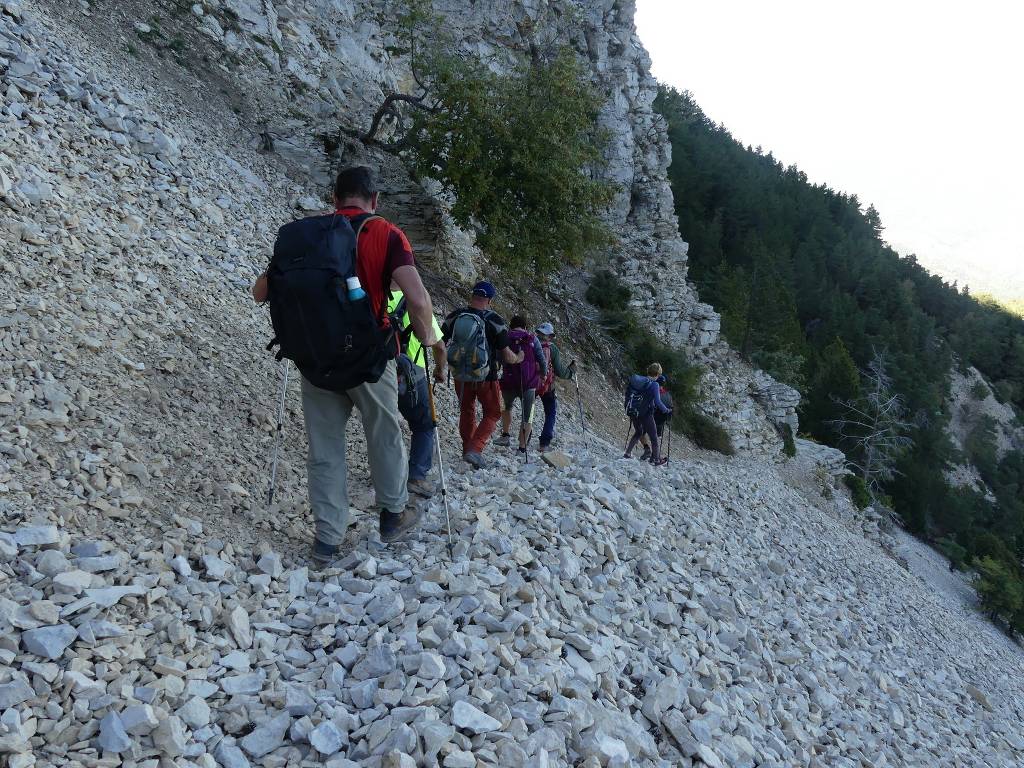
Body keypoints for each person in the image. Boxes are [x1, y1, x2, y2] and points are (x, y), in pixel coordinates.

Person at [252, 166, 440, 563]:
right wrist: (428, 339)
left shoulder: (307, 236)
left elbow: (260, 293)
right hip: (369, 358)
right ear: (374, 201)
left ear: (333, 199)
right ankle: (392, 514)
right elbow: (418, 300)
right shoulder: (386, 233)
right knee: (384, 433)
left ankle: (327, 540)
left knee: (324, 449)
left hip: (315, 359)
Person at [441, 282, 522, 468]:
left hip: (459, 375)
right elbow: (507, 356)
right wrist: (519, 358)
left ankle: (466, 448)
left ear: (472, 296)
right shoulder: (495, 320)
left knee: (467, 410)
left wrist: (441, 368)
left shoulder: (455, 316)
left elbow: (439, 343)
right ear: (490, 300)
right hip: (486, 376)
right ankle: (475, 450)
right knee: (493, 412)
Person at [387, 287, 447, 498]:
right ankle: (416, 477)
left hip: (377, 370)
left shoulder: (371, 293)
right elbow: (438, 345)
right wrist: (440, 369)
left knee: (384, 424)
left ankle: (387, 475)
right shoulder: (416, 300)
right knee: (424, 424)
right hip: (412, 373)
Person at [496, 316, 547, 453]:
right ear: (525, 327)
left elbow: (498, 358)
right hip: (529, 383)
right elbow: (541, 359)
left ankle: (505, 435)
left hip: (508, 381)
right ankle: (522, 447)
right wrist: (543, 374)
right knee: (528, 415)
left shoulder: (505, 337)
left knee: (507, 407)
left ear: (511, 326)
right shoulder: (532, 338)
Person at [533, 322, 576, 453]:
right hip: (547, 386)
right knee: (550, 412)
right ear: (550, 336)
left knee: (528, 411)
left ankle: (523, 441)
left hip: (530, 383)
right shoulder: (552, 348)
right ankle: (544, 444)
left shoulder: (530, 342)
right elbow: (560, 371)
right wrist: (571, 371)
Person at [623, 362, 672, 466]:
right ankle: (656, 459)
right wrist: (666, 410)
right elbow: (658, 402)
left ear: (648, 370)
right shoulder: (654, 384)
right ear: (658, 373)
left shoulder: (638, 380)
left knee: (638, 432)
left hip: (633, 410)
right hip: (646, 413)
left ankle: (627, 453)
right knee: (654, 437)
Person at [640, 374, 673, 460]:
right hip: (661, 421)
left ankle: (647, 449)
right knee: (656, 438)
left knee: (640, 433)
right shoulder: (668, 395)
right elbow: (670, 407)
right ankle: (654, 455)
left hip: (651, 417)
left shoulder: (652, 391)